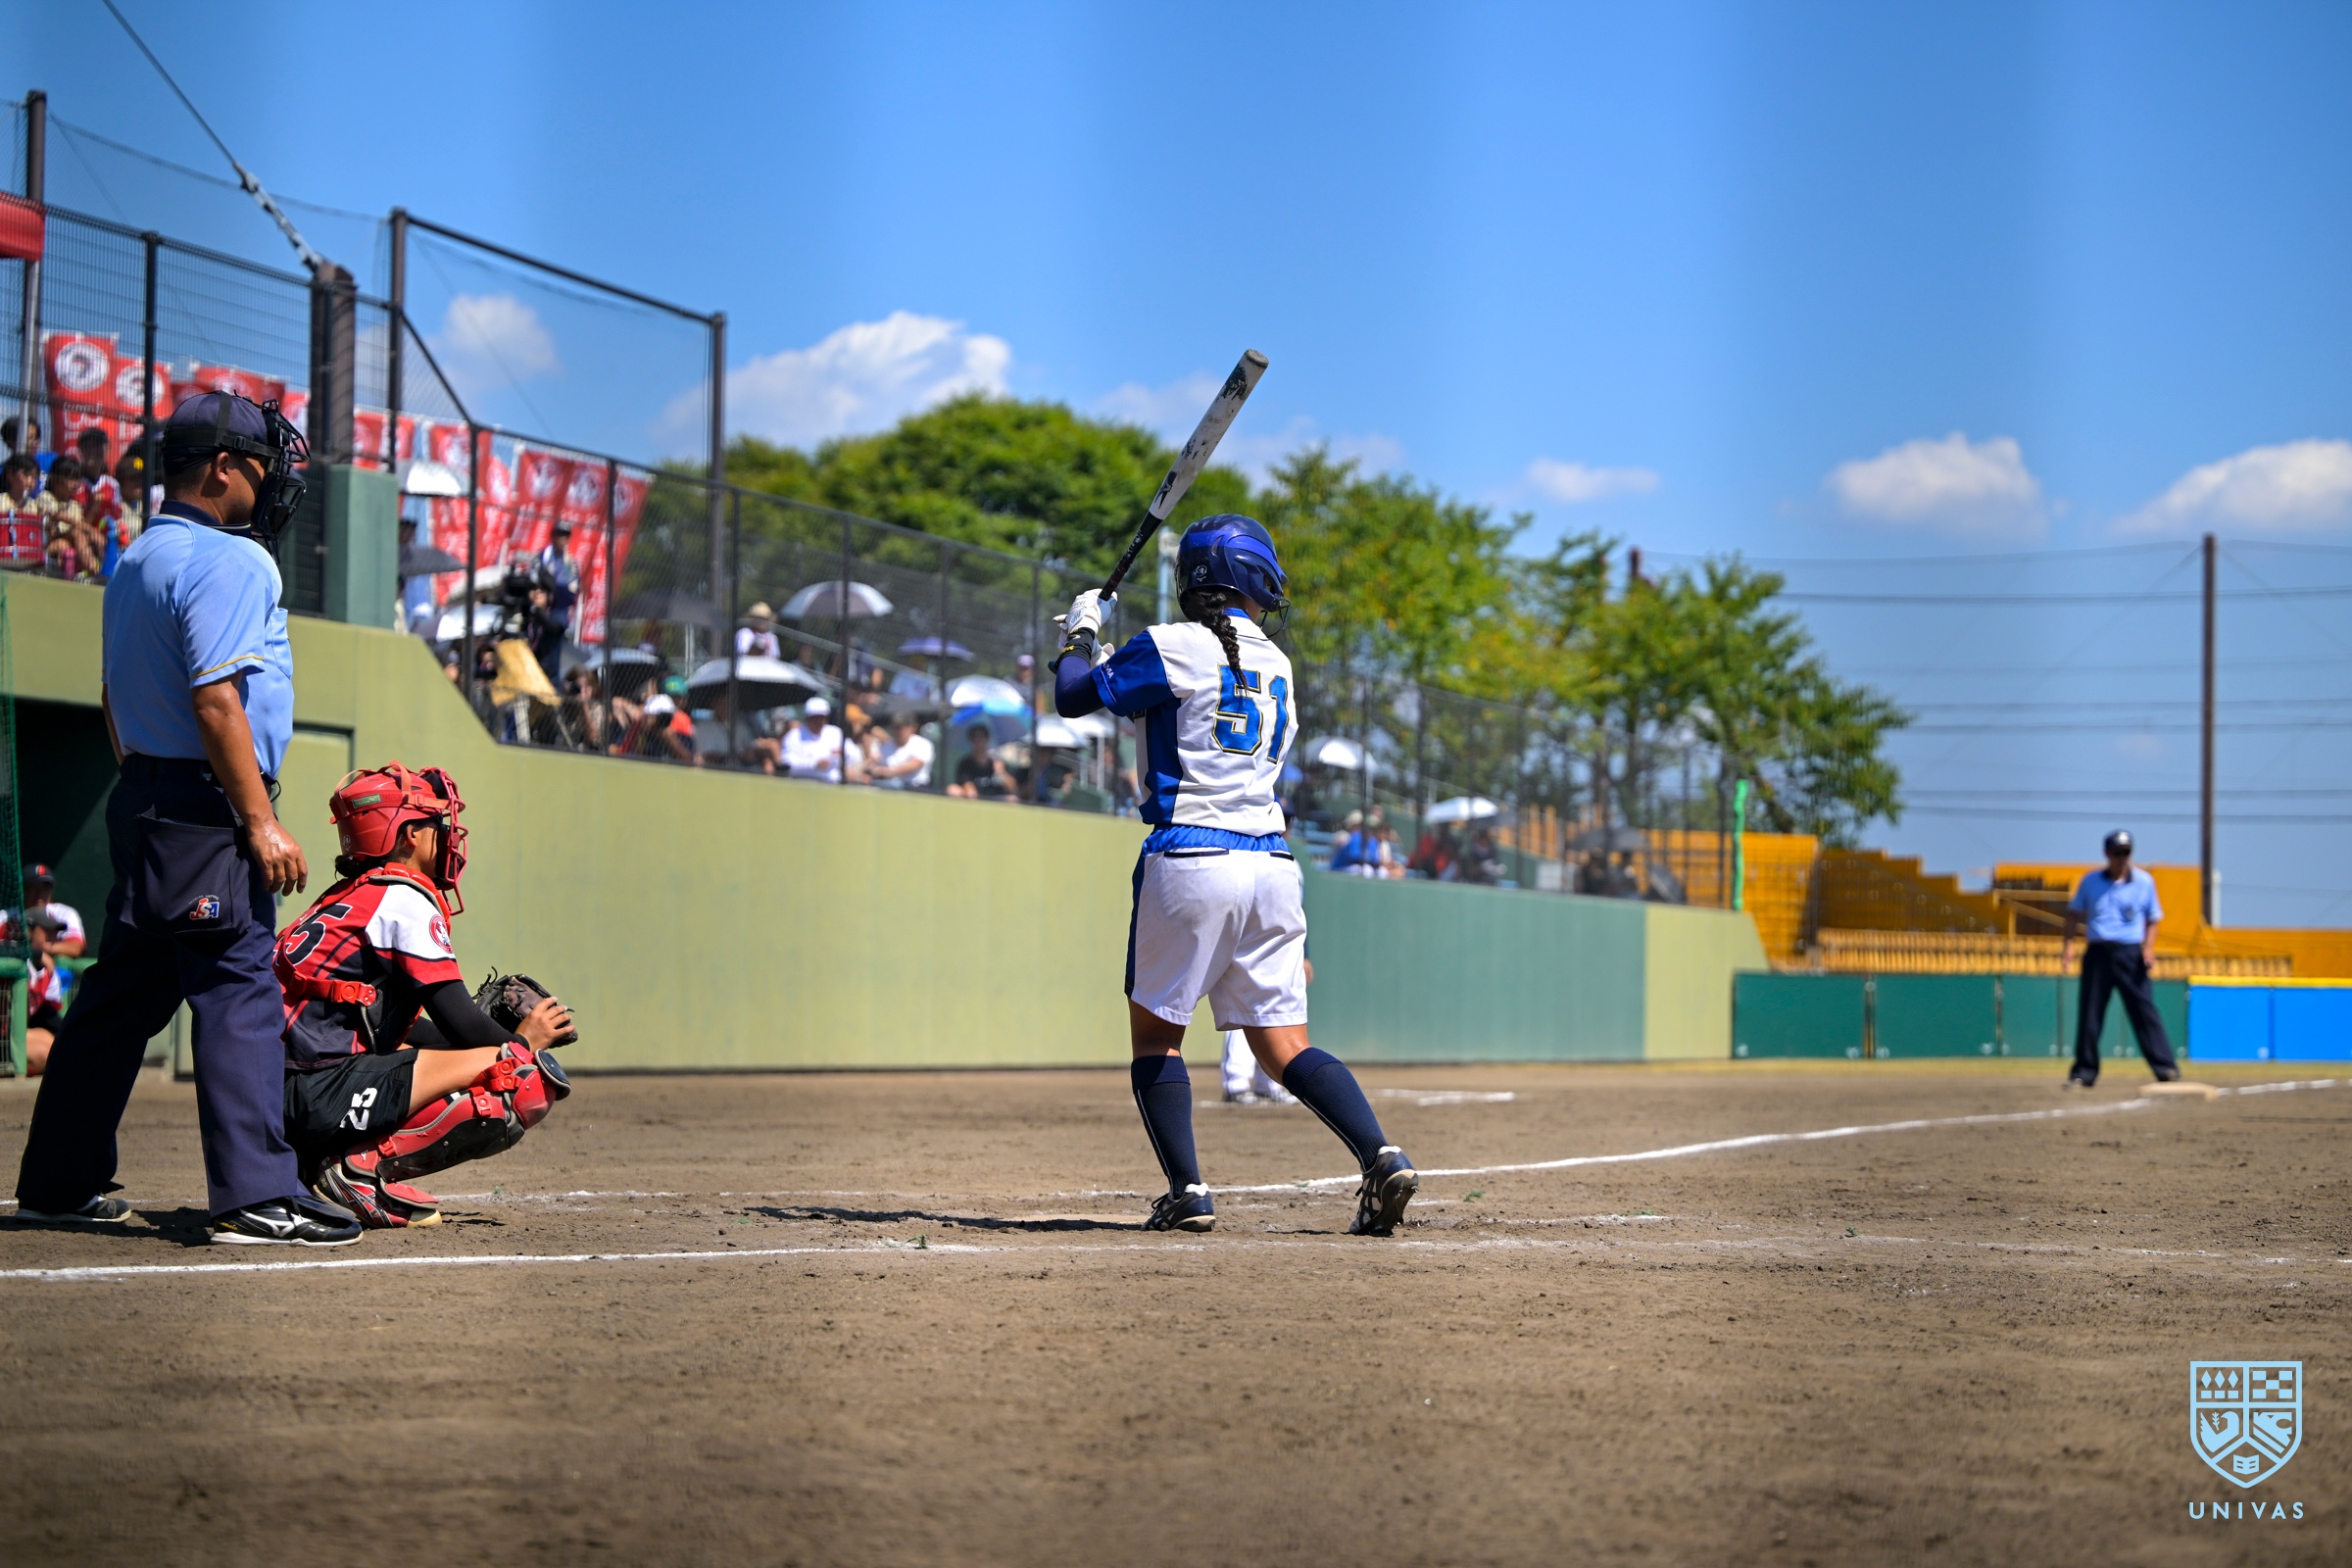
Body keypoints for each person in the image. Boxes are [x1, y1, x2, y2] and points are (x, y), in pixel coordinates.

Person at [13, 391, 362, 1245]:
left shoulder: (137, 556)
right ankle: (256, 1194)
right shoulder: (232, 559)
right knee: (239, 986)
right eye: (262, 466)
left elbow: (112, 698)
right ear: (223, 467)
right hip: (208, 809)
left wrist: (152, 786)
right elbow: (216, 701)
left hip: (147, 797)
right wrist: (258, 820)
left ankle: (58, 1182)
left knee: (119, 998)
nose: (273, 483)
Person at [1052, 513, 1418, 1236]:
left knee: (1158, 1040)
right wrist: (1113, 654)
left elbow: (1071, 697)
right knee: (1284, 1047)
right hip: (1272, 863)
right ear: (1252, 579)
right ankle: (1381, 1154)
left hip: (1190, 856)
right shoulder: (1278, 662)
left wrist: (1078, 637)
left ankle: (1188, 1190)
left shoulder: (1169, 644)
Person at [275, 764, 571, 1228]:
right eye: (436, 823)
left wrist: (486, 1043)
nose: (447, 835)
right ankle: (356, 1169)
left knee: (464, 1053)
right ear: (410, 834)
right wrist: (524, 1041)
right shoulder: (402, 897)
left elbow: (408, 1029)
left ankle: (316, 1162)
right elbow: (462, 1024)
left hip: (279, 1096)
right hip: (315, 1095)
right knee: (523, 1075)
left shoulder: (346, 896)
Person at [2060, 829, 2181, 1088]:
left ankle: (2165, 1067)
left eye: (2126, 852)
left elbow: (2153, 918)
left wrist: (2148, 948)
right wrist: (2069, 945)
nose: (2122, 858)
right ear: (2107, 854)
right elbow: (2073, 913)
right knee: (2090, 1013)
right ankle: (2084, 1071)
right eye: (2117, 853)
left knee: (2144, 1011)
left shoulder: (2144, 882)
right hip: (2098, 952)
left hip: (2130, 954)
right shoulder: (2091, 881)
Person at [2, 863, 86, 1076]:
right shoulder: (14, 964)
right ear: (29, 931)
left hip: (16, 1031)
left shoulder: (46, 970)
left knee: (60, 1051)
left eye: (54, 931)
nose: (53, 937)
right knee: (48, 1055)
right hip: (5, 1032)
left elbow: (50, 1016)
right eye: (46, 931)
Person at [1222, 956, 1313, 1104]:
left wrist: (1304, 956)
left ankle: (1269, 1085)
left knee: (1273, 1007)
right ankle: (1236, 1085)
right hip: (1243, 950)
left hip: (1277, 952)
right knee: (1243, 1008)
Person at [526, 521, 581, 686]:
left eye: (566, 536)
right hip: (539, 614)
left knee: (551, 662)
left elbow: (571, 591)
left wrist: (552, 586)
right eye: (559, 535)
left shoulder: (570, 564)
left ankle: (552, 691)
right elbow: (534, 580)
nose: (563, 539)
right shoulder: (542, 557)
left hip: (557, 614)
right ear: (553, 536)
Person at [778, 696, 845, 782]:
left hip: (833, 783)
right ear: (807, 718)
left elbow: (853, 755)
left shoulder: (836, 733)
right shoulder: (794, 736)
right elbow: (787, 763)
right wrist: (814, 764)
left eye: (822, 718)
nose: (819, 721)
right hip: (802, 782)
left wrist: (843, 753)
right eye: (815, 718)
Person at [868, 710, 935, 790]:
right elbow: (874, 763)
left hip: (915, 787)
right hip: (888, 786)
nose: (898, 730)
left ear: (912, 728)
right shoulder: (885, 745)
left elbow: (915, 764)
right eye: (895, 727)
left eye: (901, 727)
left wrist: (885, 772)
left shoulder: (922, 744)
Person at [1, 453, 45, 569]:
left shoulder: (35, 506)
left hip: (29, 558)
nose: (30, 481)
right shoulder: (1, 501)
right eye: (26, 475)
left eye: (34, 477)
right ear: (10, 475)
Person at [947, 723, 1012, 800]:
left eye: (981, 737)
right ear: (971, 741)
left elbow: (1012, 788)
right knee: (952, 789)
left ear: (988, 739)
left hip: (997, 798)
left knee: (1012, 799)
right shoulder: (965, 764)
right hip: (976, 798)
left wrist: (1001, 773)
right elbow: (968, 787)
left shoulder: (998, 762)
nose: (978, 741)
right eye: (975, 738)